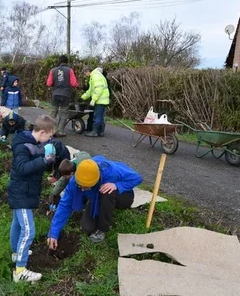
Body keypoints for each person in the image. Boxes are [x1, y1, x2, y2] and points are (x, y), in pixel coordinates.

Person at [47, 156, 142, 248]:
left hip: (123, 196)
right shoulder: (75, 180)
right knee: (87, 227)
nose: (83, 190)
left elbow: (137, 178)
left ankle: (102, 229)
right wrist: (53, 233)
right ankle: (96, 206)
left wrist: (116, 185)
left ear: (95, 181)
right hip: (96, 196)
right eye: (80, 186)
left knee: (107, 192)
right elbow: (65, 205)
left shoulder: (111, 171)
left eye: (86, 187)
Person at [8, 115, 57, 283]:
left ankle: (16, 253)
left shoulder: (34, 144)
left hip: (24, 191)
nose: (49, 139)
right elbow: (22, 168)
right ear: (42, 132)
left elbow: (33, 165)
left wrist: (46, 161)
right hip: (21, 192)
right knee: (28, 231)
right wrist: (43, 160)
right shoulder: (22, 146)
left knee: (17, 224)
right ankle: (20, 271)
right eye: (49, 136)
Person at [46, 55, 79, 137]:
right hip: (65, 95)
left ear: (59, 61)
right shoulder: (70, 70)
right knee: (64, 114)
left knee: (53, 113)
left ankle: (50, 131)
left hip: (55, 94)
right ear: (66, 62)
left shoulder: (53, 70)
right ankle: (60, 131)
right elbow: (74, 83)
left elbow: (48, 83)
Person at [81, 66, 110, 137]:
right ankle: (100, 132)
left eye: (85, 73)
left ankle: (94, 132)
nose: (85, 75)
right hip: (102, 99)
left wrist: (93, 100)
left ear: (87, 71)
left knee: (97, 116)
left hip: (100, 100)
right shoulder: (95, 76)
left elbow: (98, 90)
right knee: (100, 116)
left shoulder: (95, 76)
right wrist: (82, 97)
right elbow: (90, 90)